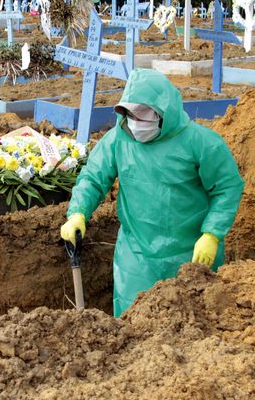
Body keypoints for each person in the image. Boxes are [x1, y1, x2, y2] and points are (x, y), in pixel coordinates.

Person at [60, 69, 244, 317]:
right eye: (130, 113)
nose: (137, 121)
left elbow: (226, 187)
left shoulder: (201, 143)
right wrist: (78, 213)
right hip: (137, 256)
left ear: (164, 110)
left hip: (191, 253)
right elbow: (93, 178)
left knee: (193, 323)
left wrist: (212, 233)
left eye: (145, 113)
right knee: (133, 320)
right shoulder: (118, 140)